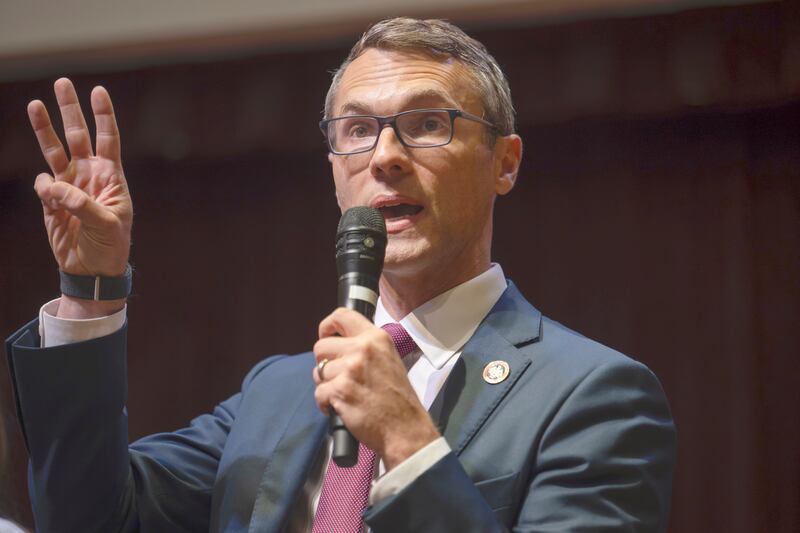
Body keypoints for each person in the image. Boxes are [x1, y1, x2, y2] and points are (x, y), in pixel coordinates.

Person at [5, 17, 676, 532]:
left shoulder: (596, 398)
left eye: (426, 123)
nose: (384, 155)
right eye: (357, 130)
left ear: (505, 161)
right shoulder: (278, 392)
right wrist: (91, 292)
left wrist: (410, 443)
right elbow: (87, 517)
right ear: (332, 169)